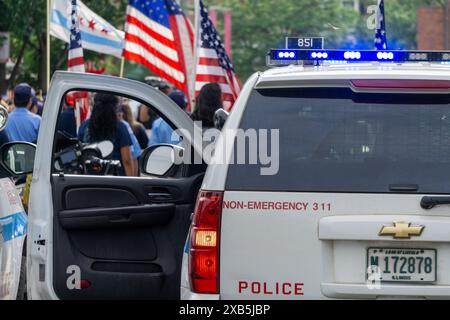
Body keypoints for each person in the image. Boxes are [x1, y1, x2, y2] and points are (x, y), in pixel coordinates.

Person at [78, 93, 134, 177]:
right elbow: (127, 161)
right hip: (114, 179)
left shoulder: (84, 126)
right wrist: (131, 184)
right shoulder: (120, 127)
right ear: (114, 107)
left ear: (95, 104)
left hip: (89, 178)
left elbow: (79, 153)